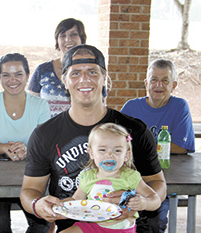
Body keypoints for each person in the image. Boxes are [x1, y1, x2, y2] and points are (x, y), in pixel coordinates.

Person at [19, 44, 167, 233]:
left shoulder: (135, 130)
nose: (84, 79)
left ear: (105, 78)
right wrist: (37, 204)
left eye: (92, 72)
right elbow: (29, 190)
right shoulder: (45, 134)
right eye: (75, 73)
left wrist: (136, 201)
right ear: (64, 80)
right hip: (76, 227)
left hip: (131, 227)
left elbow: (159, 184)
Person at [0, 52, 51, 232]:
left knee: (42, 224)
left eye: (18, 74)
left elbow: (44, 145)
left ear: (27, 75)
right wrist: (6, 148)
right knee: (0, 224)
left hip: (32, 177)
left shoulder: (41, 105)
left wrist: (28, 150)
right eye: (6, 75)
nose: (13, 80)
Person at [120, 58, 196, 232]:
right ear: (146, 83)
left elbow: (182, 147)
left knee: (156, 222)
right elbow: (116, 141)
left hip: (161, 176)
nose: (158, 85)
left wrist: (141, 148)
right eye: (154, 79)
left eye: (165, 80)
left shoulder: (179, 106)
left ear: (174, 85)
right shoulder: (131, 107)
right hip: (129, 177)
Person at [60, 123, 161, 233]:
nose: (109, 155)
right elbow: (75, 200)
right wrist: (58, 206)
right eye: (102, 150)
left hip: (122, 228)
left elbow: (155, 199)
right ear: (91, 153)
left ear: (126, 155)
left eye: (117, 150)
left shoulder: (130, 177)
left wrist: (144, 203)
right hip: (92, 226)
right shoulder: (87, 176)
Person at [28, 18, 86, 118]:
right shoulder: (42, 70)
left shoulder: (92, 71)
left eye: (73, 34)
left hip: (81, 132)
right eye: (62, 35)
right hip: (47, 131)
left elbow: (100, 107)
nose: (68, 39)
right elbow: (30, 108)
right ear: (57, 41)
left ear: (82, 38)